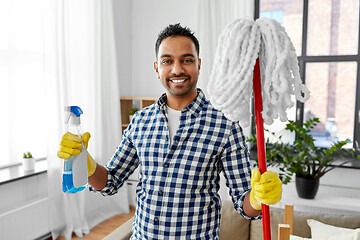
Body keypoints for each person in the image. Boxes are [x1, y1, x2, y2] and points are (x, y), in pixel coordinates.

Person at [58, 23, 282, 239]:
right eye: (167, 61)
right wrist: (86, 163)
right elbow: (110, 182)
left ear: (199, 65)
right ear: (157, 68)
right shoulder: (140, 122)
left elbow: (244, 205)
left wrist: (256, 198)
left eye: (187, 60)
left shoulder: (225, 124)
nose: (177, 69)